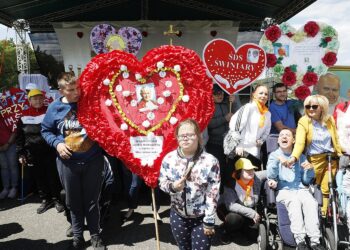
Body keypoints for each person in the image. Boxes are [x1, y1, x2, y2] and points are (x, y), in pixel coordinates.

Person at [41, 73, 106, 250]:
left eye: (77, 87)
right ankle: (78, 237)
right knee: (73, 201)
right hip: (67, 164)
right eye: (71, 89)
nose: (77, 92)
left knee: (92, 201)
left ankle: (95, 235)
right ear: (61, 90)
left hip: (92, 160)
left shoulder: (89, 102)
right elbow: (46, 130)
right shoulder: (54, 108)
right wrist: (57, 144)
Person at [159, 119, 220, 250]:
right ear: (177, 138)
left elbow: (212, 192)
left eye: (190, 135)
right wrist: (172, 187)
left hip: (201, 217)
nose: (185, 138)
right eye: (182, 135)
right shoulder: (169, 159)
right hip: (178, 215)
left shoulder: (210, 161)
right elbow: (162, 182)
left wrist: (209, 219)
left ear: (198, 136)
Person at [267, 129, 324, 250]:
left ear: (293, 140)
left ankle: (315, 241)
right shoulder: (274, 155)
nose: (284, 137)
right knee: (294, 202)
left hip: (301, 189)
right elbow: (271, 176)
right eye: (281, 135)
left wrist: (309, 170)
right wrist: (278, 162)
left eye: (287, 135)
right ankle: (300, 240)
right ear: (278, 140)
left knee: (311, 202)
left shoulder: (300, 157)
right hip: (284, 190)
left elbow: (306, 181)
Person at [286, 95, 342, 216]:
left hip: (330, 158)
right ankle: (311, 214)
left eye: (314, 106)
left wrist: (341, 153)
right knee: (312, 187)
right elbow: (300, 142)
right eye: (308, 106)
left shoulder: (329, 119)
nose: (310, 109)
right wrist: (294, 157)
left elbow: (335, 138)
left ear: (322, 107)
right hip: (314, 159)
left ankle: (323, 215)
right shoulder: (303, 121)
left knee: (327, 188)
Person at [17, 89, 64, 214]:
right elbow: (19, 136)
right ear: (29, 101)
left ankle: (57, 199)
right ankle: (45, 199)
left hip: (49, 151)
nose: (37, 101)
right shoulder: (23, 115)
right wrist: (21, 153)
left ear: (44, 99)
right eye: (34, 99)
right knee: (39, 178)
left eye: (39, 98)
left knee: (53, 176)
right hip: (32, 153)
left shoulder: (50, 111)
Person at [217, 158, 262, 244]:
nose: (251, 171)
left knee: (253, 235)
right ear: (239, 171)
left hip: (246, 210)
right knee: (234, 219)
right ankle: (227, 232)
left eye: (252, 169)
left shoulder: (256, 178)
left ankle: (240, 228)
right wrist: (252, 213)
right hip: (228, 210)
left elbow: (270, 172)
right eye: (247, 170)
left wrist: (272, 180)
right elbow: (231, 206)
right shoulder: (231, 184)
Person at [227, 84, 271, 169]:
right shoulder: (248, 108)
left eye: (266, 94)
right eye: (261, 93)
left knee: (253, 179)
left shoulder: (267, 114)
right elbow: (235, 126)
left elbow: (266, 131)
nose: (263, 96)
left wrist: (261, 140)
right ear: (254, 94)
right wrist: (238, 145)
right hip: (242, 150)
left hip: (255, 152)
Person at [206, 84, 235, 182]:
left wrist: (233, 102)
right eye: (216, 93)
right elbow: (209, 124)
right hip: (214, 143)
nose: (220, 95)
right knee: (218, 169)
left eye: (221, 93)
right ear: (211, 94)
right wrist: (224, 119)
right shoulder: (208, 107)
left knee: (229, 168)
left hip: (228, 143)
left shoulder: (227, 104)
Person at [0, 117, 18, 199]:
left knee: (13, 166)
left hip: (10, 144)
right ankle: (6, 188)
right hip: (0, 147)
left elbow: (14, 131)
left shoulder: (5, 115)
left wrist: (7, 144)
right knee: (4, 167)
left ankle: (14, 187)